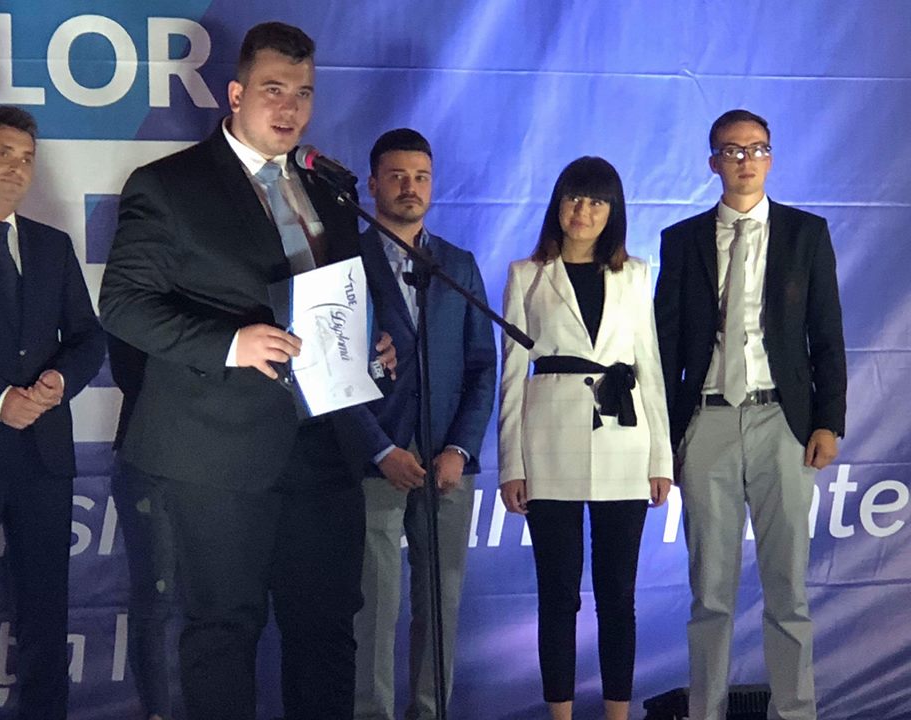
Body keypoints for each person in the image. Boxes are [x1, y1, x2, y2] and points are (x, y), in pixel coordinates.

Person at [99, 21, 394, 720]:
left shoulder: (329, 190)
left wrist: (368, 342)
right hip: (217, 453)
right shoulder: (168, 185)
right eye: (273, 89)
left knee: (327, 631)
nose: (289, 107)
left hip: (324, 449)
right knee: (222, 634)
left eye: (303, 93)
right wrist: (232, 343)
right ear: (235, 95)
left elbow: (338, 298)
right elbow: (123, 305)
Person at [653, 109, 846, 720]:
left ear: (771, 158)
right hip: (706, 420)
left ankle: (795, 712)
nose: (745, 160)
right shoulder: (681, 239)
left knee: (788, 589)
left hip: (781, 421)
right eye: (732, 151)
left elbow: (827, 335)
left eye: (756, 148)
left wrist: (828, 421)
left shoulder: (805, 233)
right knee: (710, 592)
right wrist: (665, 436)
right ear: (713, 162)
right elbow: (665, 345)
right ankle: (705, 711)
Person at [498, 157, 673, 720]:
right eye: (574, 198)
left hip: (624, 442)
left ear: (613, 211)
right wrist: (511, 464)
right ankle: (561, 714)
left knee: (618, 593)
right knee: (558, 594)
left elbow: (649, 366)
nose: (584, 211)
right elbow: (511, 376)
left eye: (597, 201)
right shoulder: (527, 274)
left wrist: (661, 456)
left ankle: (618, 713)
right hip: (548, 445)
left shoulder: (635, 273)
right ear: (558, 203)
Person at [0, 105, 105, 720]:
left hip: (43, 455)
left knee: (46, 611)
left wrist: (57, 382)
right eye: (3, 154)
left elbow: (89, 339)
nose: (18, 167)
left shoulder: (52, 246)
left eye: (27, 158)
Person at [352, 129, 496, 720]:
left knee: (441, 600)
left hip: (445, 461)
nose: (410, 188)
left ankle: (431, 711)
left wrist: (460, 448)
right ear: (372, 184)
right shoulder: (345, 261)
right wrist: (380, 448)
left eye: (421, 177)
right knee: (375, 604)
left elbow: (483, 366)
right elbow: (329, 373)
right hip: (376, 458)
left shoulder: (457, 265)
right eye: (397, 176)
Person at [107, 334, 176, 720]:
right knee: (156, 596)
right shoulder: (135, 298)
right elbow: (131, 375)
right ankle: (157, 713)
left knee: (221, 604)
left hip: (227, 459)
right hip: (147, 454)